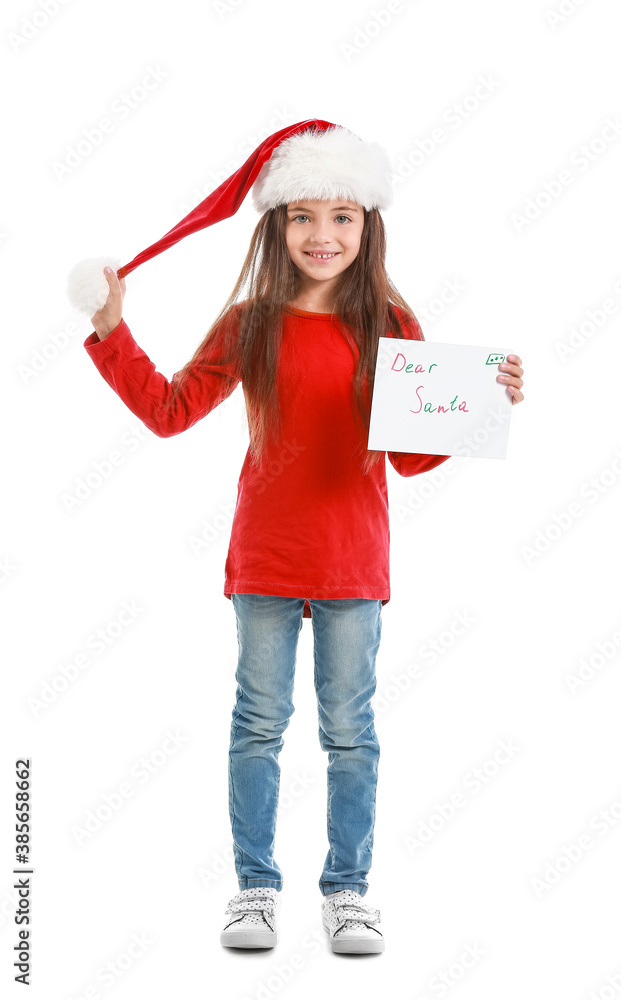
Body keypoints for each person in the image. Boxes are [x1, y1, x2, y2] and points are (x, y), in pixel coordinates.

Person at [78, 122, 525, 955]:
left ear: (369, 226)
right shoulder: (251, 321)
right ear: (277, 226)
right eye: (303, 218)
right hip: (268, 557)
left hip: (352, 557)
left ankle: (348, 892)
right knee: (258, 723)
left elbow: (416, 456)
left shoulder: (389, 322)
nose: (323, 236)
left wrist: (486, 402)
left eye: (343, 218)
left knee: (349, 730)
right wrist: (112, 331)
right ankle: (254, 888)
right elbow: (170, 412)